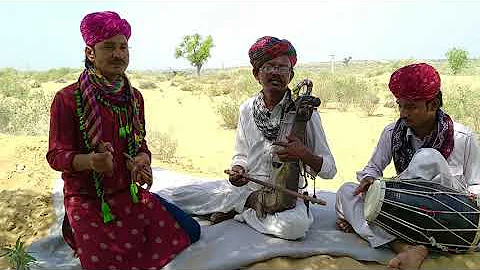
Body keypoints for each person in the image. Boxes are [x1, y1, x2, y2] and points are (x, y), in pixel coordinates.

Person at [46, 11, 200, 269]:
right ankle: (73, 225)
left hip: (127, 194)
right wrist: (90, 162)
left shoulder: (134, 97)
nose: (118, 54)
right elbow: (55, 156)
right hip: (89, 200)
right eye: (109, 47)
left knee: (190, 231)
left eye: (123, 47)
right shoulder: (68, 98)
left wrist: (142, 160)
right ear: (90, 52)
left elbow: (140, 144)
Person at [168, 36, 336, 240]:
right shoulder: (247, 109)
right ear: (257, 74)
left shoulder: (305, 114)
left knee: (294, 228)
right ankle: (248, 204)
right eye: (269, 66)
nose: (275, 72)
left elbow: (329, 170)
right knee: (179, 196)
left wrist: (304, 154)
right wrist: (238, 169)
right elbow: (240, 155)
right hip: (248, 189)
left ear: (291, 75)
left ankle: (241, 211)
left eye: (282, 67)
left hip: (286, 197)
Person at [335, 63, 480, 269]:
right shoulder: (392, 133)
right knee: (346, 191)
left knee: (428, 157)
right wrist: (370, 180)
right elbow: (372, 169)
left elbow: (476, 185)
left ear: (434, 104)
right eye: (400, 105)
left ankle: (379, 233)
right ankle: (405, 248)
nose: (403, 113)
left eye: (411, 106)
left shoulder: (462, 137)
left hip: (449, 223)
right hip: (405, 218)